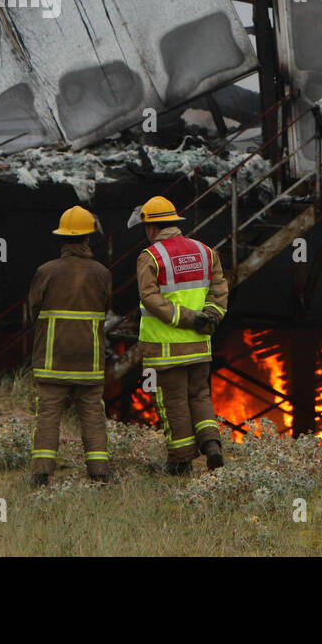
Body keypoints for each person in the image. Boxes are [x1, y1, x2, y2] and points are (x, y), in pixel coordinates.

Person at [133, 195, 229, 475]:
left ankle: (180, 463)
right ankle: (212, 445)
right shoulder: (205, 251)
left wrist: (184, 318)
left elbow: (149, 297)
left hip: (166, 349)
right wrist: (210, 317)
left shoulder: (150, 256)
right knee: (200, 395)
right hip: (200, 344)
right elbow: (219, 290)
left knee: (172, 401)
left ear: (152, 228)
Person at [25, 205, 113, 487]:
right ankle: (99, 473)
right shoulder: (102, 273)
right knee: (92, 414)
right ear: (88, 238)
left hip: (53, 357)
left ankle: (41, 473)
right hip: (89, 359)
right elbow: (107, 306)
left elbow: (32, 310)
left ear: (62, 238)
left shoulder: (45, 271)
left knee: (49, 414)